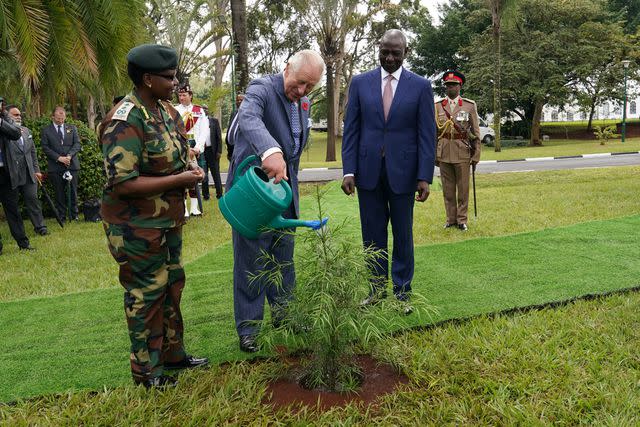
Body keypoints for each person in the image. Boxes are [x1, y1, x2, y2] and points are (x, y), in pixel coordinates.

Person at [99, 44, 208, 389]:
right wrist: (181, 179)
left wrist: (188, 162)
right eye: (168, 77)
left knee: (172, 285)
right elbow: (123, 183)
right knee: (146, 292)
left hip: (167, 222)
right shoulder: (125, 119)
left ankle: (173, 355)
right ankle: (147, 373)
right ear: (147, 79)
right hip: (135, 226)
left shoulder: (165, 111)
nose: (175, 82)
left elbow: (179, 149)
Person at [228, 49, 324, 353]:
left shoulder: (303, 101)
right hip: (254, 192)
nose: (301, 92)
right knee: (251, 260)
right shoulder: (262, 89)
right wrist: (270, 150)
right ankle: (250, 329)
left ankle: (286, 317)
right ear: (286, 69)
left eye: (309, 87)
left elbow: (294, 146)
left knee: (284, 259)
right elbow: (248, 117)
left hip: (284, 193)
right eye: (298, 83)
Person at [341, 29, 436, 312]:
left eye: (396, 52)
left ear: (406, 53)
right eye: (385, 52)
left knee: (403, 235)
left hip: (404, 173)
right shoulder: (360, 83)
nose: (390, 57)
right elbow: (352, 131)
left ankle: (403, 293)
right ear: (378, 50)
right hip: (368, 172)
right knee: (372, 234)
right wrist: (349, 170)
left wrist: (424, 176)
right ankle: (375, 289)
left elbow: (426, 134)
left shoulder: (420, 86)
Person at [435, 70, 481, 231]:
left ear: (460, 86)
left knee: (462, 189)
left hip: (462, 151)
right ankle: (450, 219)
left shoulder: (469, 105)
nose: (450, 88)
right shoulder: (438, 106)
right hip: (444, 151)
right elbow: (434, 132)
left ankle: (462, 220)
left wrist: (476, 155)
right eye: (448, 85)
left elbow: (475, 132)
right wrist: (435, 154)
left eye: (453, 85)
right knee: (447, 189)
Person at [4, 106, 48, 235]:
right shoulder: (5, 132)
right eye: (15, 115)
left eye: (19, 115)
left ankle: (40, 227)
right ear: (7, 116)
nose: (19, 117)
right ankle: (19, 232)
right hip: (12, 175)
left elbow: (32, 153)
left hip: (29, 173)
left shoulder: (26, 131)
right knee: (13, 205)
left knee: (33, 199)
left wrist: (37, 170)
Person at [0, 98, 34, 252]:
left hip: (6, 173)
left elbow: (15, 133)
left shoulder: (5, 119)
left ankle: (23, 244)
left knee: (13, 210)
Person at [40, 106, 81, 223]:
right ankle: (61, 216)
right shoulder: (46, 130)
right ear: (52, 117)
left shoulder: (72, 128)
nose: (60, 121)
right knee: (59, 193)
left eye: (62, 118)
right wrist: (59, 158)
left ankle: (74, 215)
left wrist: (69, 156)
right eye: (58, 118)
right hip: (55, 166)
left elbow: (77, 144)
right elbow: (45, 148)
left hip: (71, 164)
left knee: (73, 191)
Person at [175, 83, 209, 216]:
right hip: (181, 146)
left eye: (184, 95)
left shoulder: (198, 110)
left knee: (195, 176)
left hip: (195, 146)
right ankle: (184, 209)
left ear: (190, 95)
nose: (181, 98)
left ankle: (195, 208)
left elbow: (204, 131)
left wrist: (197, 148)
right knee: (181, 176)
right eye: (179, 95)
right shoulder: (174, 110)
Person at [202, 108, 223, 199]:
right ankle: (205, 195)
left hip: (213, 151)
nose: (204, 110)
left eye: (206, 109)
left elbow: (219, 137)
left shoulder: (214, 121)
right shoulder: (198, 122)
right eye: (202, 109)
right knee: (203, 174)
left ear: (208, 111)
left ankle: (219, 194)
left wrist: (219, 151)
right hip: (202, 151)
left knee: (216, 173)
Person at [225, 93, 244, 161]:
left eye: (241, 100)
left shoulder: (248, 114)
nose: (239, 102)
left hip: (241, 150)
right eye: (237, 100)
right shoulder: (234, 113)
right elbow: (230, 129)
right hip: (231, 150)